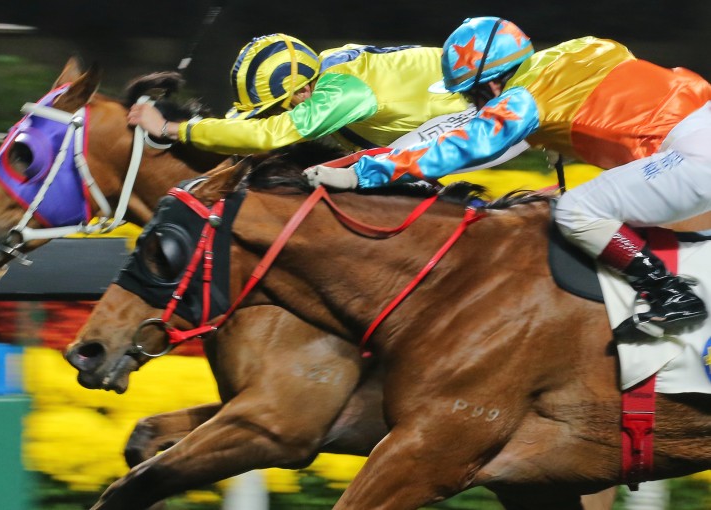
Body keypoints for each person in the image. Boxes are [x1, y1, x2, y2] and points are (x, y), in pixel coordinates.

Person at [304, 16, 711, 334]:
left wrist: (365, 174)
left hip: (692, 154)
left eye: (473, 95)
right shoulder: (584, 48)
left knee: (576, 210)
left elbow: (468, 145)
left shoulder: (524, 97)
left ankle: (671, 295)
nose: (473, 104)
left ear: (493, 83)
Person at [127, 33, 471, 154]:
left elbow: (267, 135)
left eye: (275, 109)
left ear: (304, 90)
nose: (273, 117)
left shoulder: (341, 92)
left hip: (511, 100)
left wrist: (171, 128)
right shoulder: (323, 76)